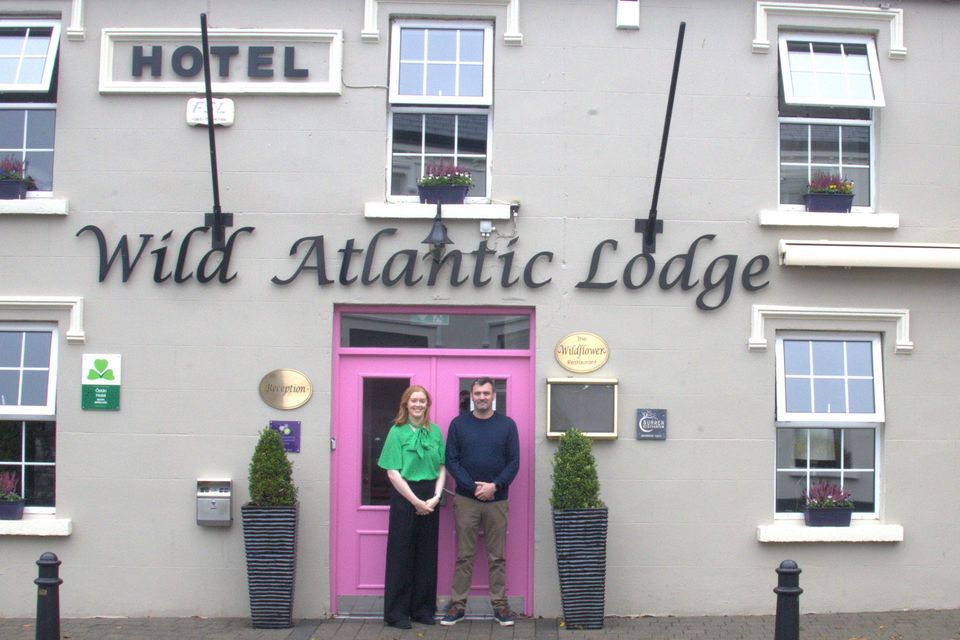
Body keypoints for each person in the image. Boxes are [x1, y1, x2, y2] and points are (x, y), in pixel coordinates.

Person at [441, 377, 520, 627]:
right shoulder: (458, 424)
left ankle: (500, 605)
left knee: (497, 557)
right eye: (478, 393)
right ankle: (457, 605)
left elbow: (514, 463)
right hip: (466, 499)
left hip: (497, 500)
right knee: (464, 555)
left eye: (486, 393)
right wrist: (473, 487)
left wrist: (494, 486)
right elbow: (451, 460)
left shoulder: (507, 425)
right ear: (471, 395)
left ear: (493, 395)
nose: (482, 397)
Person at [377, 385, 447, 629]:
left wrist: (436, 497)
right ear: (406, 404)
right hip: (405, 497)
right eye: (414, 400)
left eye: (422, 401)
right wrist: (415, 502)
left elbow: (441, 467)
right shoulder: (396, 432)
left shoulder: (435, 432)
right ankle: (397, 614)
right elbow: (392, 472)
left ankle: (423, 611)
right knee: (401, 556)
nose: (418, 404)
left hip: (431, 497)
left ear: (427, 405)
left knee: (427, 556)